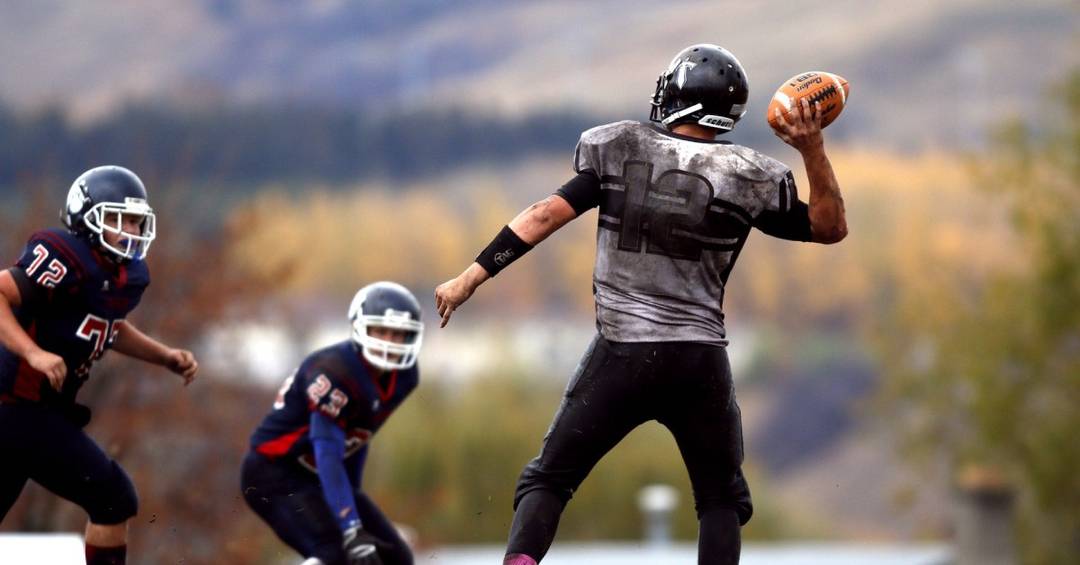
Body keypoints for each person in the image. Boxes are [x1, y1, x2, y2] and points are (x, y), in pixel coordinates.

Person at [434, 44, 847, 565]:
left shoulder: (620, 145)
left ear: (680, 96)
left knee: (549, 479)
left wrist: (471, 277)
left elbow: (543, 215)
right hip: (698, 359)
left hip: (624, 351)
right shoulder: (748, 174)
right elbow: (831, 228)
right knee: (720, 499)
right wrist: (813, 150)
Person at [0, 165, 200, 565]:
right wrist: (33, 353)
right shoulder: (66, 255)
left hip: (31, 411)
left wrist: (164, 356)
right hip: (17, 406)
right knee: (113, 498)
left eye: (134, 220)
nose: (128, 229)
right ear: (85, 218)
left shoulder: (124, 275)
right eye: (117, 219)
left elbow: (106, 326)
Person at [243, 281, 424, 565]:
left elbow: (358, 438)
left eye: (399, 334)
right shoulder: (334, 371)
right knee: (337, 555)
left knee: (396, 557)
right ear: (360, 328)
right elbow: (327, 450)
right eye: (381, 330)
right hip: (275, 473)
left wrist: (355, 501)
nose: (389, 341)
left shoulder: (405, 377)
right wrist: (351, 525)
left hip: (318, 475)